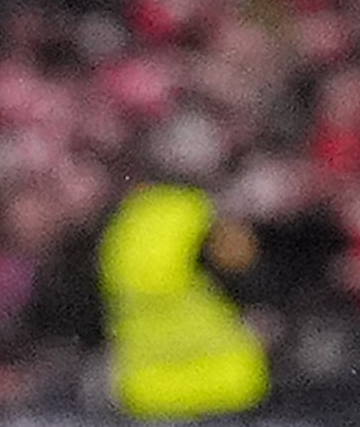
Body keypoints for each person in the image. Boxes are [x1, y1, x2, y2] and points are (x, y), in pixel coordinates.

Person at [98, 176, 269, 421]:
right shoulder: (205, 222)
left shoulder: (123, 229)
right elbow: (244, 271)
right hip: (223, 379)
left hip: (146, 386)